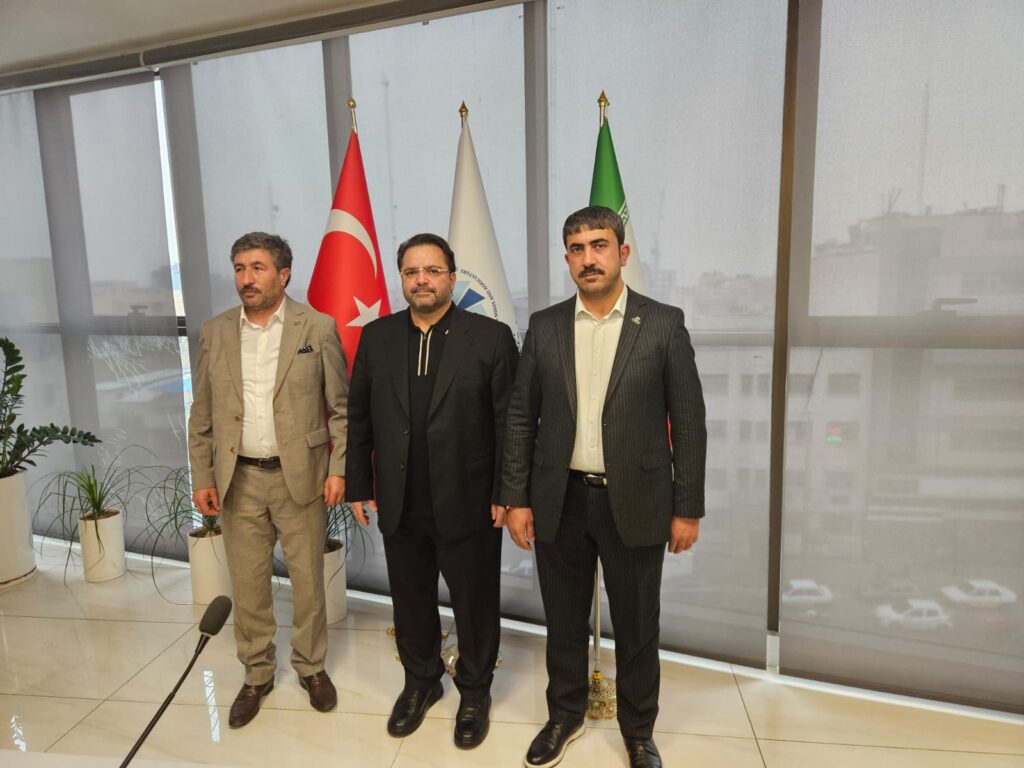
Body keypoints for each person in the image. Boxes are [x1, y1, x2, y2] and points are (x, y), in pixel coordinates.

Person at [501, 206, 707, 768]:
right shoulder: (545, 326)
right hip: (559, 499)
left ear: (622, 253)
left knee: (638, 626)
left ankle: (638, 732)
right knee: (564, 621)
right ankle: (564, 716)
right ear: (567, 258)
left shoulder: (662, 323)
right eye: (576, 248)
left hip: (637, 500)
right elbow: (520, 417)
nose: (587, 258)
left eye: (598, 245)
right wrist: (516, 497)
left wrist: (687, 508)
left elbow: (689, 421)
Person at [345, 232, 518, 749]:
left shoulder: (490, 337)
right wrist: (358, 483)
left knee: (474, 604)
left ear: (452, 277)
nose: (422, 280)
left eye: (432, 271)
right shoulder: (376, 337)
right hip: (401, 500)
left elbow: (510, 423)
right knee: (411, 601)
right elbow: (359, 418)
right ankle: (421, 681)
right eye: (411, 272)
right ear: (401, 279)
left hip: (470, 500)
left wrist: (508, 491)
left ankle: (475, 692)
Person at [188, 231, 348, 728]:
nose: (246, 278)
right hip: (238, 479)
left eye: (257, 268)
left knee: (308, 582)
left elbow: (341, 409)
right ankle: (256, 673)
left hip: (300, 478)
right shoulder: (215, 332)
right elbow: (202, 413)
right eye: (239, 268)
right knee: (249, 584)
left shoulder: (316, 327)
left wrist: (339, 469)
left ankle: (311, 667)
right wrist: (202, 476)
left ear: (284, 275)